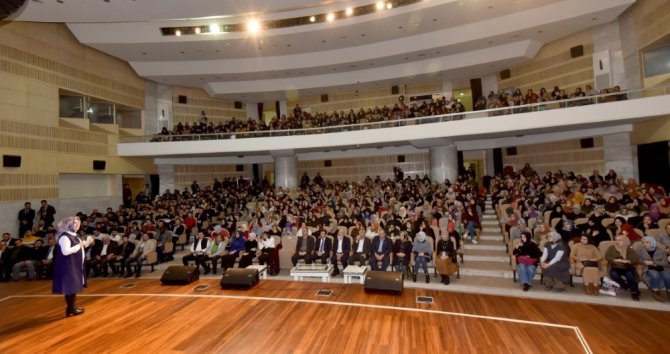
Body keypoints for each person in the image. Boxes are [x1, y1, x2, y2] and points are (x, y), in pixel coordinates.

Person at [53, 216, 93, 317]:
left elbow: (79, 247)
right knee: (70, 288)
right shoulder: (65, 237)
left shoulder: (75, 235)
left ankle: (73, 306)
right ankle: (70, 308)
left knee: (73, 287)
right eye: (75, 223)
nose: (77, 224)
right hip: (68, 266)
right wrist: (80, 245)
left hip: (75, 265)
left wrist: (87, 243)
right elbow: (66, 252)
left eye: (78, 223)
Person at [605, 234, 641, 301]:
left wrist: (628, 261)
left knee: (630, 275)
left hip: (626, 267)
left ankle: (633, 291)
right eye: (616, 240)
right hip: (615, 266)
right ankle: (625, 286)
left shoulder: (629, 250)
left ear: (625, 241)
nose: (617, 242)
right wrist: (615, 260)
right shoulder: (611, 248)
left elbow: (636, 260)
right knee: (613, 274)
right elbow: (607, 256)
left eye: (620, 240)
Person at [636, 236, 670, 302]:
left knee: (667, 276)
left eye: (647, 242)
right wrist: (643, 261)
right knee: (654, 274)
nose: (645, 244)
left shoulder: (661, 251)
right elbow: (637, 259)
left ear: (652, 243)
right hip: (648, 268)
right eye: (643, 242)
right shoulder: (640, 250)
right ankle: (656, 291)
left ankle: (669, 291)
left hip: (662, 268)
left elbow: (665, 263)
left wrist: (653, 262)